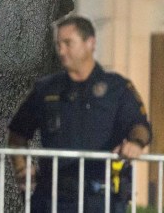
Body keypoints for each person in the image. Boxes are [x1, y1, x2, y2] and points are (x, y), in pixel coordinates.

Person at [8, 14, 151, 212]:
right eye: (58, 44)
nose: (61, 50)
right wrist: (22, 169)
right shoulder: (46, 89)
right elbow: (17, 134)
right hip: (52, 197)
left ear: (90, 43)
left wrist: (136, 144)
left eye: (68, 43)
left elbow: (140, 125)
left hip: (100, 197)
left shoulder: (117, 88)